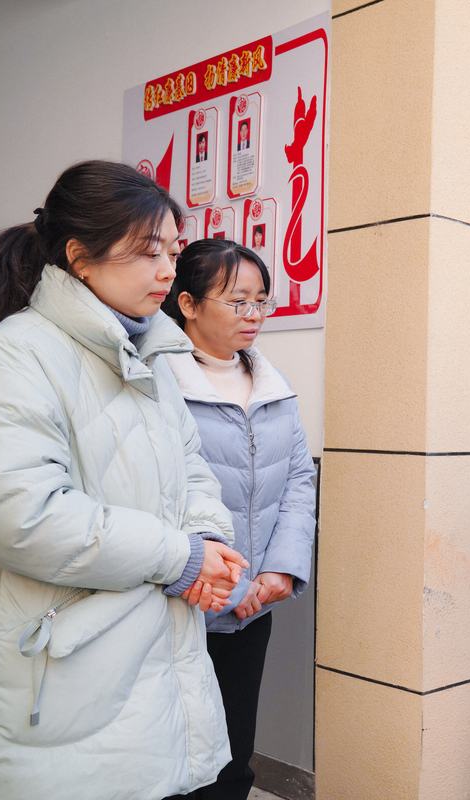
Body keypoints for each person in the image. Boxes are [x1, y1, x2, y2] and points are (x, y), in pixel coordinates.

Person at [0, 160, 246, 798]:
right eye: (146, 251)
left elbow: (191, 469)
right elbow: (25, 515)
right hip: (74, 673)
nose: (167, 269)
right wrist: (182, 557)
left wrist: (210, 545)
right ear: (80, 257)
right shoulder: (19, 352)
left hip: (158, 654)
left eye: (172, 249)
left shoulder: (147, 351)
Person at [162, 239, 317, 798]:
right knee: (175, 756)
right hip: (180, 604)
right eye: (237, 301)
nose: (253, 316)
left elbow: (301, 480)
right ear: (188, 304)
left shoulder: (272, 385)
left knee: (234, 752)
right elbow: (159, 497)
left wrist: (279, 573)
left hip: (254, 609)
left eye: (261, 301)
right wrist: (231, 587)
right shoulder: (157, 383)